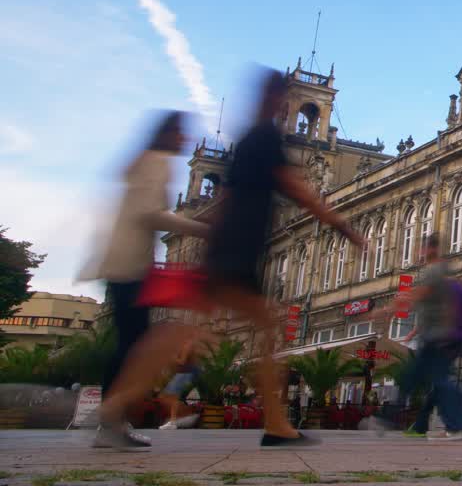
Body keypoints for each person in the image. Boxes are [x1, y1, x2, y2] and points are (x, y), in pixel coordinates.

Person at [97, 70, 366, 449]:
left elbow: (229, 200)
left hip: (232, 250)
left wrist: (206, 236)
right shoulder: (266, 138)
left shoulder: (249, 139)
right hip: (237, 252)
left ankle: (118, 405)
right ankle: (273, 425)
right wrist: (342, 225)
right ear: (282, 99)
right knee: (254, 330)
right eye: (288, 98)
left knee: (196, 333)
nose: (290, 107)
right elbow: (292, 188)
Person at [80, 111, 211, 448]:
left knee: (131, 343)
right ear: (167, 134)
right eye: (181, 132)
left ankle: (112, 421)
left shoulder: (144, 161)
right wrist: (202, 227)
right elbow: (149, 215)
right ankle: (111, 417)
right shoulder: (157, 163)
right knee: (136, 346)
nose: (184, 139)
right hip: (131, 264)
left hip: (124, 261)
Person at [396, 234, 462, 440]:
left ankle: (455, 425)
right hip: (437, 334)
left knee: (423, 378)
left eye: (421, 248)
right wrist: (415, 330)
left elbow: (422, 296)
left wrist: (391, 307)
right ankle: (449, 424)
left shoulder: (433, 272)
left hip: (438, 336)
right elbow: (434, 307)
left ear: (429, 250)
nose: (419, 252)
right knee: (428, 378)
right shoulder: (443, 272)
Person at [157, 338, 203, 430]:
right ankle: (176, 419)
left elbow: (182, 361)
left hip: (185, 372)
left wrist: (173, 358)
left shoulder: (186, 346)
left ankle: (182, 418)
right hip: (183, 372)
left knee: (169, 397)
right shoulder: (185, 345)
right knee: (169, 397)